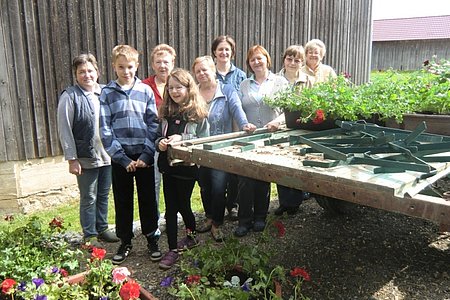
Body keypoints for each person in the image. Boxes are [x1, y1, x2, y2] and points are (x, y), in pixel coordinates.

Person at [99, 45, 161, 265]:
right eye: (121, 67)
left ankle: (152, 237)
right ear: (114, 67)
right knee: (122, 200)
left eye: (130, 67)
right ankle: (125, 240)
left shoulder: (145, 90)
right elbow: (105, 128)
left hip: (143, 155)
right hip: (121, 157)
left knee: (148, 199)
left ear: (137, 66)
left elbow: (153, 122)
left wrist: (146, 153)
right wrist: (122, 158)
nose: (126, 71)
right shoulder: (107, 92)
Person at [57, 53, 119, 247]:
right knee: (89, 197)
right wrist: (71, 158)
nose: (87, 75)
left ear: (97, 72)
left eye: (90, 70)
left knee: (103, 194)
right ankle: (90, 234)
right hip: (85, 157)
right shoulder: (70, 96)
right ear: (76, 75)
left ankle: (102, 229)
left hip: (107, 155)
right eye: (81, 71)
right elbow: (64, 128)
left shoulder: (106, 93)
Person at [193, 56, 256, 242]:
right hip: (199, 149)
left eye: (205, 69)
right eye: (198, 71)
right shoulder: (193, 93)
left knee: (219, 188)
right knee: (204, 187)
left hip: (221, 149)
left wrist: (244, 124)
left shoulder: (226, 89)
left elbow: (237, 108)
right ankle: (209, 216)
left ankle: (217, 224)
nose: (202, 73)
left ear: (213, 69)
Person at [156, 68, 210, 269]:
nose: (175, 91)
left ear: (189, 88)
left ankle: (191, 236)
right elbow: (155, 136)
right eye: (171, 88)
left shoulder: (198, 114)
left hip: (188, 169)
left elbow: (204, 140)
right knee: (170, 208)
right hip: (168, 167)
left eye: (179, 87)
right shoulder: (165, 112)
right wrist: (160, 142)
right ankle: (172, 249)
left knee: (183, 205)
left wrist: (183, 138)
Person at [234, 45, 288, 237]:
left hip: (271, 137)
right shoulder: (244, 85)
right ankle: (244, 220)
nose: (256, 62)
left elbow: (288, 112)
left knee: (263, 179)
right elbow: (239, 109)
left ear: (267, 59)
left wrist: (277, 122)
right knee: (245, 178)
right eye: (252, 59)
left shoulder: (280, 82)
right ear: (249, 64)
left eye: (259, 58)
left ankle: (260, 217)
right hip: (249, 137)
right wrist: (243, 124)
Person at [211, 35, 247, 220]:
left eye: (227, 49)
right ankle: (213, 209)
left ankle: (232, 205)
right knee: (213, 174)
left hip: (234, 129)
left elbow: (243, 103)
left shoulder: (240, 75)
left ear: (232, 52)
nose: (224, 52)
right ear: (214, 53)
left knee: (233, 172)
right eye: (220, 49)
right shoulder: (208, 73)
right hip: (214, 130)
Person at [275, 45, 312, 216]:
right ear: (284, 59)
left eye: (297, 60)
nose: (292, 63)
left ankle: (295, 202)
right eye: (289, 59)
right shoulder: (275, 80)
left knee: (296, 163)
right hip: (279, 128)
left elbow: (313, 104)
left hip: (300, 128)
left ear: (302, 62)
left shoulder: (307, 81)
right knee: (280, 164)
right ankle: (283, 202)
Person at [142, 44, 177, 220]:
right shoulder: (145, 86)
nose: (162, 65)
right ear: (153, 65)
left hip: (176, 140)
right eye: (158, 62)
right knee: (154, 183)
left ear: (173, 62)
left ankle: (174, 217)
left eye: (166, 61)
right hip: (154, 141)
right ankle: (153, 220)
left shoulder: (179, 83)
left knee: (175, 182)